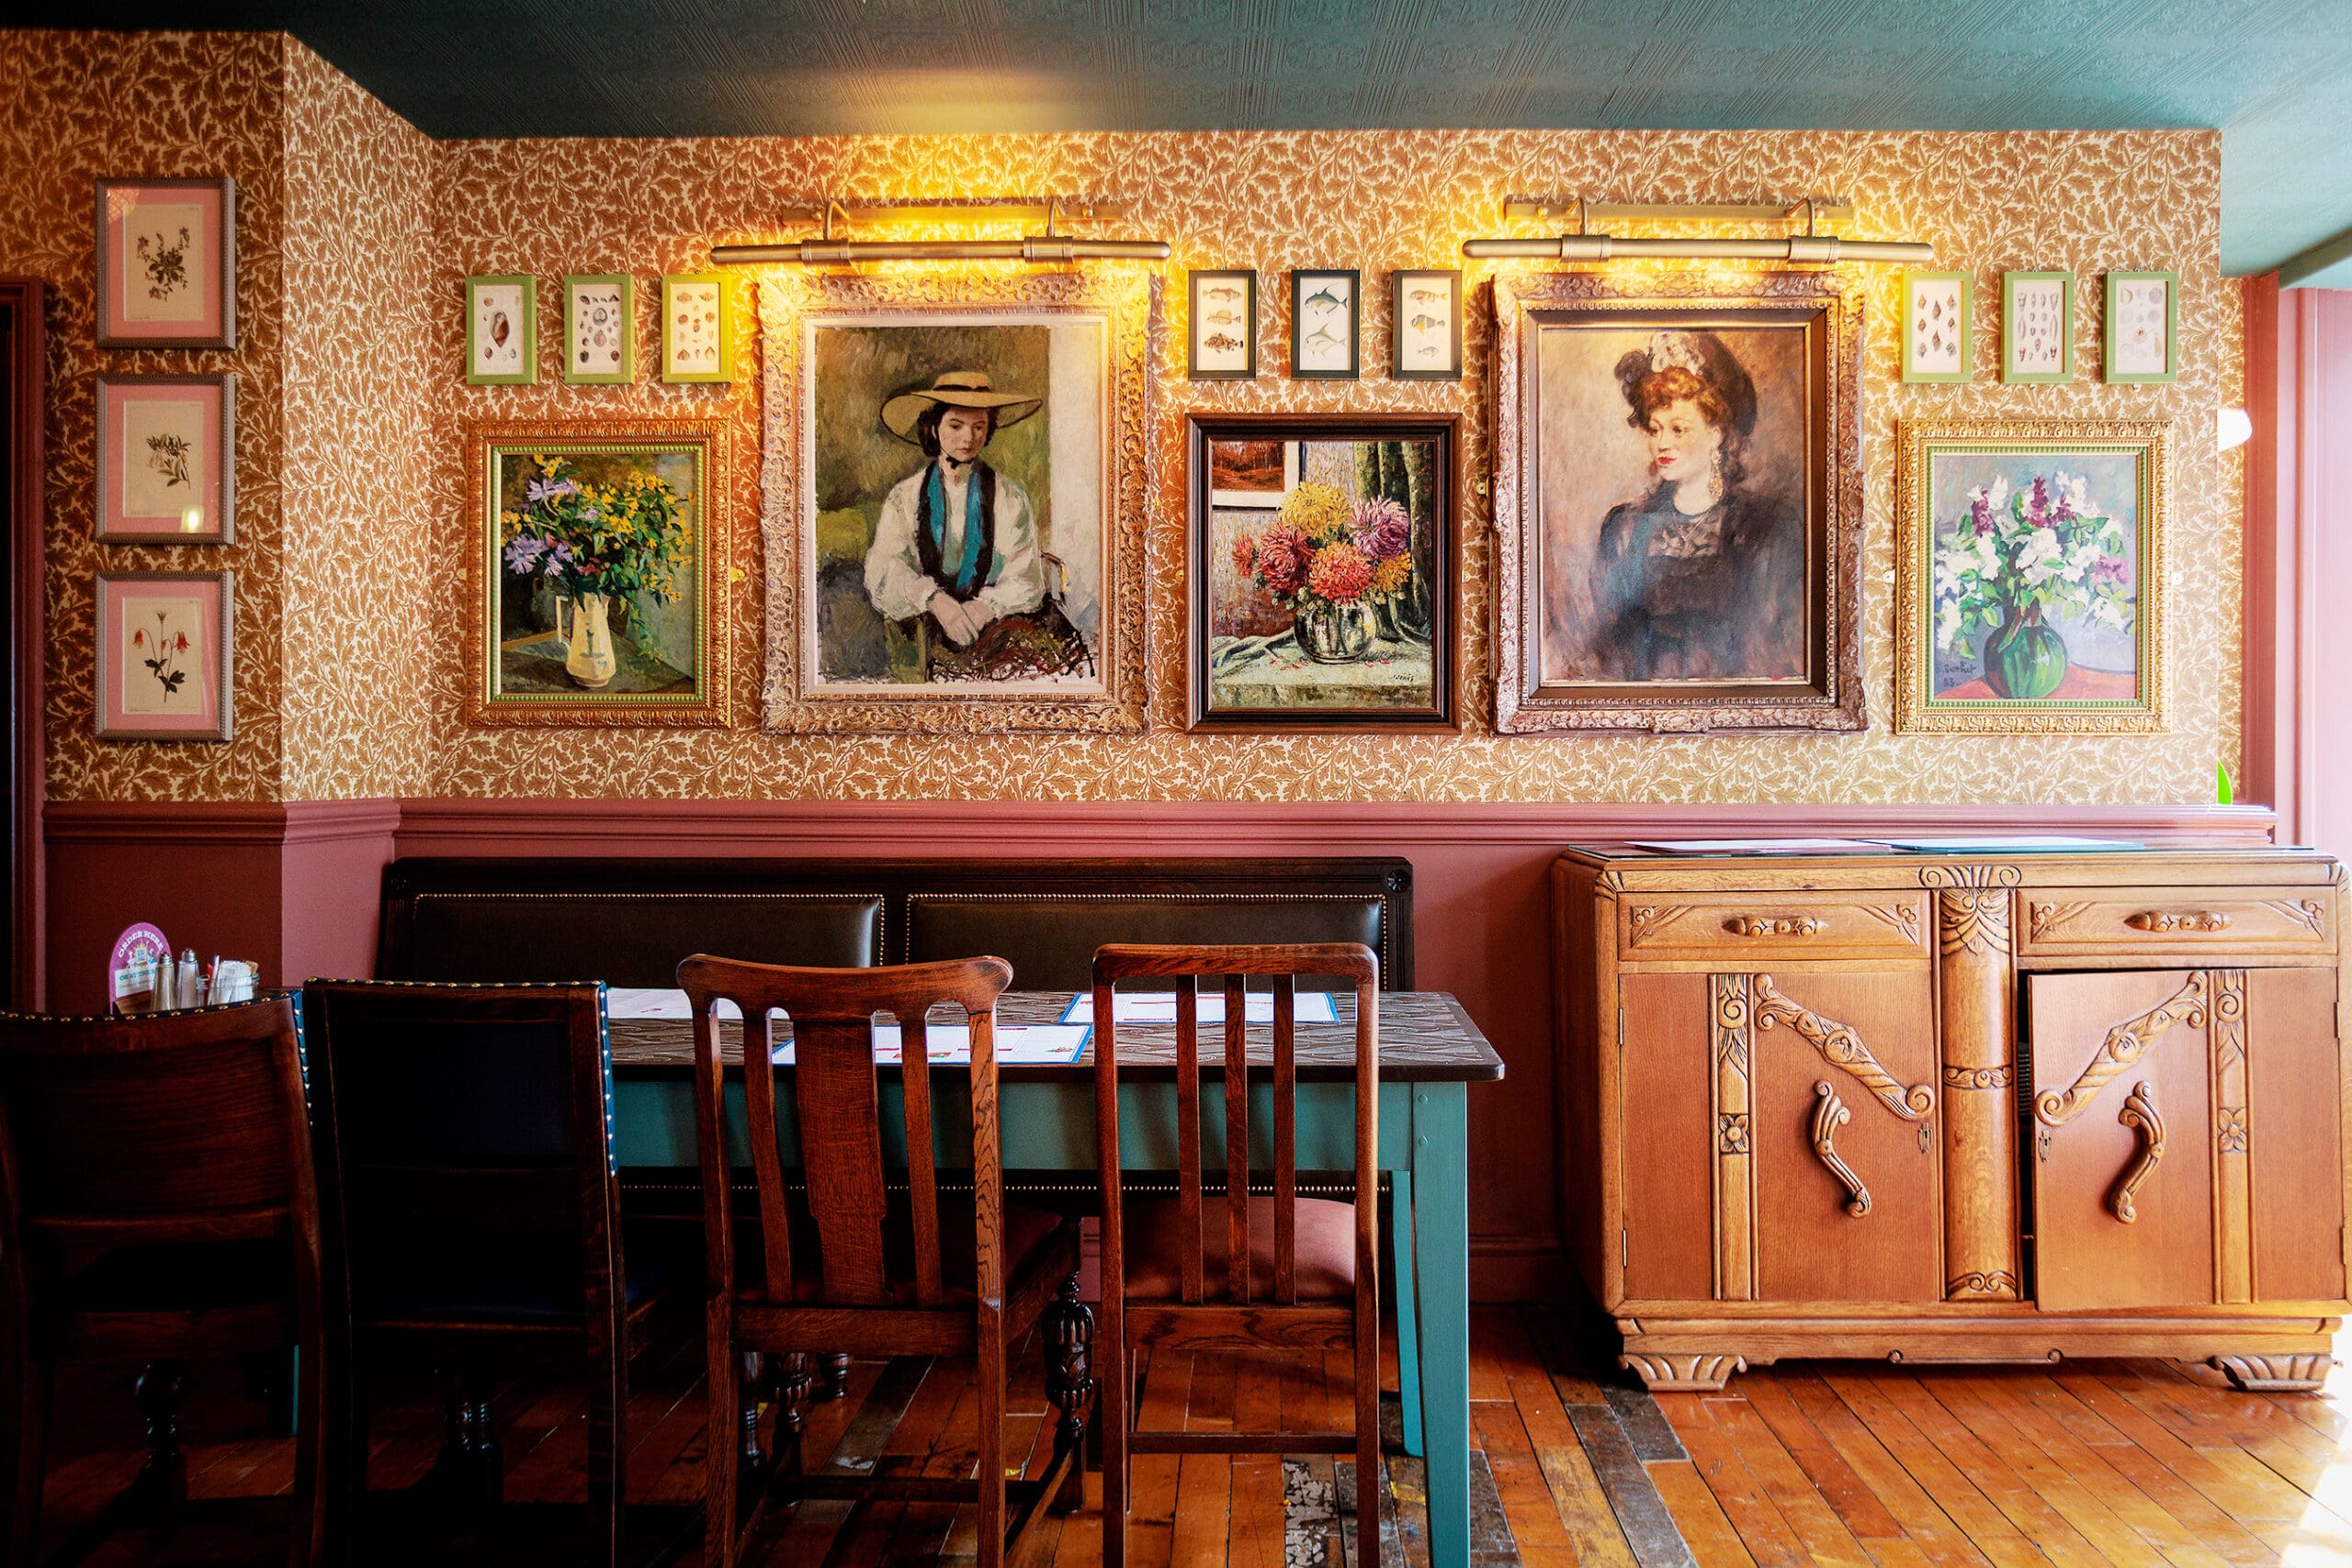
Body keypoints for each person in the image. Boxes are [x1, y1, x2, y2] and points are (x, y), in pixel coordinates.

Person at [1589, 330, 1804, 681]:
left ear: (1716, 432)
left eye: (1679, 429)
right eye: (1656, 429)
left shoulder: (1767, 528)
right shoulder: (1625, 529)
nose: (1663, 443)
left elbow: (1777, 650)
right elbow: (1611, 650)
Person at [864, 369, 1088, 682]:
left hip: (999, 631)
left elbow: (1026, 579)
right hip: (926, 628)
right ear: (933, 427)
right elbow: (885, 570)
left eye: (979, 426)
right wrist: (937, 601)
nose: (968, 438)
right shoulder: (905, 497)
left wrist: (982, 610)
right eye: (955, 425)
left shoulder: (1010, 497)